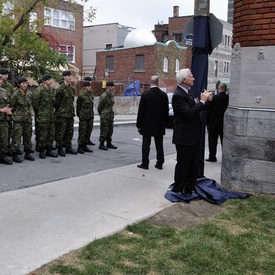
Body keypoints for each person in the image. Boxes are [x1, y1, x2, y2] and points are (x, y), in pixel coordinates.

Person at [171, 68, 213, 195]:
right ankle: (178, 189)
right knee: (184, 164)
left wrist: (207, 101)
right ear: (184, 80)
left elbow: (197, 108)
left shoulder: (190, 92)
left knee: (194, 165)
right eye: (191, 76)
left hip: (193, 136)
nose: (193, 78)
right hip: (184, 137)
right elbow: (189, 113)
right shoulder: (178, 95)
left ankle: (189, 188)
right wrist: (202, 101)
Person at [136, 75, 169, 170]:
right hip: (159, 123)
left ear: (150, 82)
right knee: (159, 144)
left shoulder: (146, 95)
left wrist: (139, 125)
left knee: (146, 143)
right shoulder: (163, 95)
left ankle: (145, 163)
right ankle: (160, 163)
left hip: (147, 123)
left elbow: (141, 111)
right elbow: (166, 110)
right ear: (158, 83)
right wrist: (165, 123)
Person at [32, 74, 58, 159]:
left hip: (50, 117)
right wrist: (40, 114)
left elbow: (53, 103)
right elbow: (35, 104)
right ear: (44, 81)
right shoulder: (39, 91)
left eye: (51, 80)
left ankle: (48, 150)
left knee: (51, 135)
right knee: (43, 135)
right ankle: (42, 150)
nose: (50, 81)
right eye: (48, 80)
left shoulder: (51, 91)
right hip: (42, 117)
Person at [10, 76, 35, 163]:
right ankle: (14, 155)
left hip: (27, 119)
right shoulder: (15, 95)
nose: (25, 85)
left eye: (26, 83)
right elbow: (11, 107)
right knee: (16, 138)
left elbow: (30, 105)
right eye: (23, 83)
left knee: (28, 137)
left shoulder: (29, 94)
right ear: (19, 84)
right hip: (18, 120)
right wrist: (15, 116)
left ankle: (27, 153)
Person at [55, 70, 77, 156]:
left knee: (69, 131)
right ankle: (60, 148)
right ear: (64, 77)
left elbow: (71, 101)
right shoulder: (60, 89)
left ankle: (68, 147)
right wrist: (60, 111)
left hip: (70, 114)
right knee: (61, 132)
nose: (69, 77)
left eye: (70, 76)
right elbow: (57, 102)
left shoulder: (71, 89)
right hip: (62, 114)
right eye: (68, 76)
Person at [205, 82, 229, 162]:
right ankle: (225, 157)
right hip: (224, 123)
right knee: (224, 141)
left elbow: (208, 110)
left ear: (219, 89)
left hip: (213, 123)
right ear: (226, 90)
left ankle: (212, 156)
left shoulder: (214, 98)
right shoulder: (228, 98)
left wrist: (207, 122)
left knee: (212, 140)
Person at [97, 81, 117, 150]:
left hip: (110, 115)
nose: (112, 88)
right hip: (105, 116)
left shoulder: (111, 95)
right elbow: (99, 107)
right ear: (108, 87)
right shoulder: (104, 96)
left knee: (110, 130)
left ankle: (109, 143)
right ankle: (101, 144)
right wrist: (102, 114)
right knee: (104, 130)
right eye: (111, 86)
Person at [76, 81, 94, 154]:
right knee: (82, 132)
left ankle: (85, 145)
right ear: (85, 87)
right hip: (83, 116)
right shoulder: (81, 95)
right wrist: (80, 115)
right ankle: (80, 146)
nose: (90, 87)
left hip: (89, 115)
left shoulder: (90, 94)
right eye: (89, 86)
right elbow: (78, 106)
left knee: (88, 131)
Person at [0, 76, 13, 165]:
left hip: (3, 119)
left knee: (4, 139)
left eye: (0, 79)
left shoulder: (3, 91)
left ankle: (2, 156)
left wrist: (8, 109)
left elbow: (7, 102)